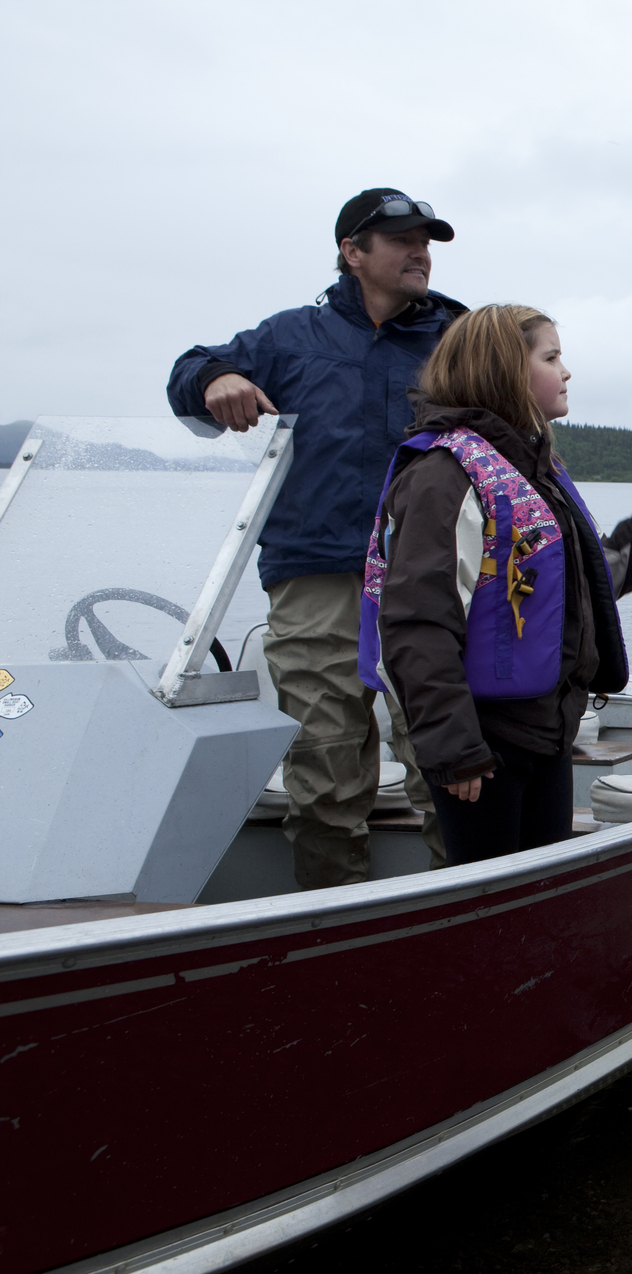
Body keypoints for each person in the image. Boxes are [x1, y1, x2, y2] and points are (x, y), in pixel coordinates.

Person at [166, 189, 466, 887]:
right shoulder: (289, 336)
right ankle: (334, 936)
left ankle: (464, 925)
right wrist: (219, 376)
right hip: (315, 578)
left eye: (427, 240)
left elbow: (520, 414)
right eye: (400, 239)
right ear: (352, 253)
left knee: (446, 763)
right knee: (325, 772)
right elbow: (187, 371)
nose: (419, 251)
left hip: (431, 580)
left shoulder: (459, 336)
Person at [361, 304, 632, 864]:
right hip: (484, 747)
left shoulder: (533, 471)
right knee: (488, 902)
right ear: (506, 370)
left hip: (545, 734)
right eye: (552, 357)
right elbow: (417, 622)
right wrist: (456, 750)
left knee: (539, 894)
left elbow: (565, 590)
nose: (566, 372)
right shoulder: (445, 476)